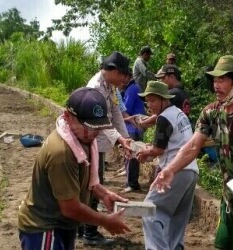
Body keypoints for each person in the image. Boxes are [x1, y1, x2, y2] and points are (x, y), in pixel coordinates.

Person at [150, 55, 233, 250]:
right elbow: (191, 147)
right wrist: (170, 170)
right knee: (222, 245)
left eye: (222, 79)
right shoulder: (211, 112)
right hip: (228, 195)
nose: (216, 85)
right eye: (214, 79)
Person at [17, 87, 131, 249]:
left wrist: (104, 193)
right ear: (68, 117)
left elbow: (82, 179)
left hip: (63, 224)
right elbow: (70, 208)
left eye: (99, 127)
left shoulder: (81, 140)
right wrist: (105, 221)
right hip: (44, 226)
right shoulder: (62, 153)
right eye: (89, 127)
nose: (95, 133)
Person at [136, 81, 198, 250]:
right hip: (191, 170)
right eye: (147, 101)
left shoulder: (164, 118)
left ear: (164, 100)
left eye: (153, 101)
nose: (149, 105)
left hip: (175, 170)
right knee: (177, 218)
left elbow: (158, 149)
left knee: (149, 212)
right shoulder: (178, 113)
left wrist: (146, 151)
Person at [83, 51, 132, 245]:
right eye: (121, 74)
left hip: (101, 143)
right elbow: (101, 121)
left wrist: (126, 138)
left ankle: (83, 227)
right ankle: (90, 232)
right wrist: (120, 140)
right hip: (91, 142)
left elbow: (116, 113)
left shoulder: (111, 87)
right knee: (95, 185)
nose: (123, 78)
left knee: (91, 184)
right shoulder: (95, 88)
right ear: (111, 70)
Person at [119, 70, 145, 193]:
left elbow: (126, 108)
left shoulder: (132, 89)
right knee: (130, 154)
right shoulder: (132, 88)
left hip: (133, 127)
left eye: (123, 77)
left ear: (128, 76)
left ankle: (133, 184)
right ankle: (130, 180)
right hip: (133, 126)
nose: (121, 80)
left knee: (132, 155)